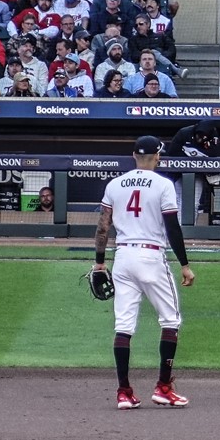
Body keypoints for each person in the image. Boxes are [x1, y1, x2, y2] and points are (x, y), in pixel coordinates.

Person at [92, 135, 195, 411]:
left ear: (134, 155)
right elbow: (173, 227)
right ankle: (163, 387)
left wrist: (99, 263)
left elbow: (103, 228)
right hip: (151, 256)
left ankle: (124, 392)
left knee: (123, 326)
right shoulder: (163, 184)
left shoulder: (115, 184)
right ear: (157, 155)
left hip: (123, 257)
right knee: (170, 320)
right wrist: (184, 264)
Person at [168, 120, 220, 222]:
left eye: (203, 136)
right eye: (199, 135)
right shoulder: (184, 133)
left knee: (194, 203)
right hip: (180, 173)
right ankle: (180, 228)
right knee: (178, 201)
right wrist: (190, 156)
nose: (200, 138)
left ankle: (190, 228)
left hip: (198, 175)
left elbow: (214, 154)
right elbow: (171, 153)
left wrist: (202, 151)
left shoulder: (213, 134)